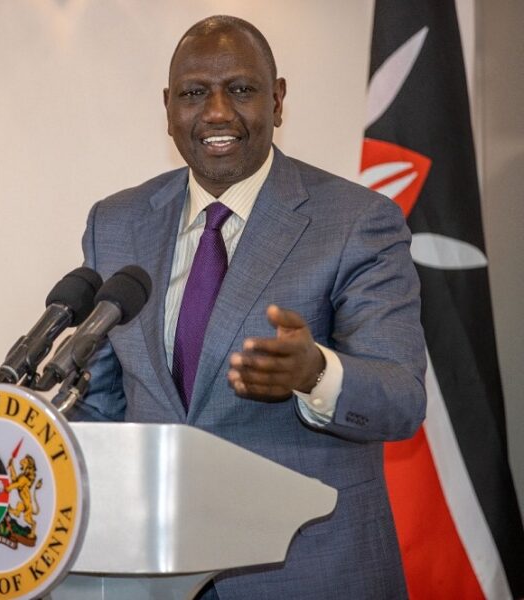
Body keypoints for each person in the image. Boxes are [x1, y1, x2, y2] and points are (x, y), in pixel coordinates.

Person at [69, 15, 426, 600]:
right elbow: (103, 405)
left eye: (240, 89)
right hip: (153, 572)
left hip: (305, 573)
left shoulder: (357, 221)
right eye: (193, 94)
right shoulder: (116, 224)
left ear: (278, 100)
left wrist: (315, 373)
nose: (215, 112)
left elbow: (402, 398)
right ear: (167, 108)